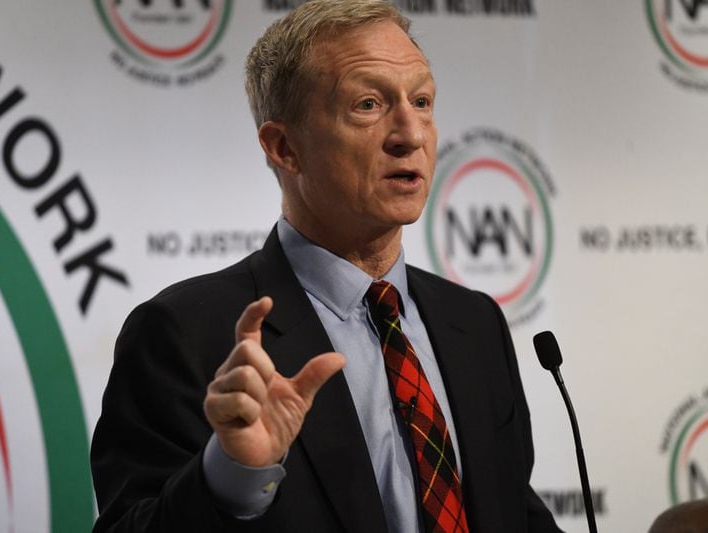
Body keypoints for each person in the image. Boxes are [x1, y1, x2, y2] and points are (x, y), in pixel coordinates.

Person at [90, 1, 562, 532]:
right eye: (368, 104)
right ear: (284, 147)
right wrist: (233, 474)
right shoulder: (185, 334)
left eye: (423, 101)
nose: (411, 133)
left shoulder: (474, 324)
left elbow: (511, 512)